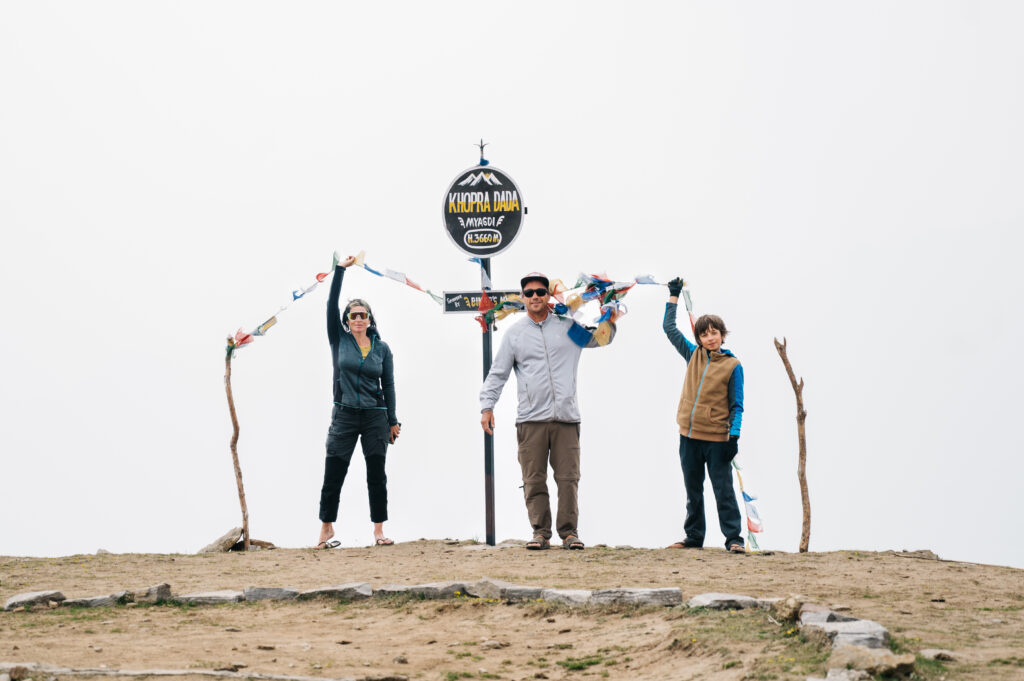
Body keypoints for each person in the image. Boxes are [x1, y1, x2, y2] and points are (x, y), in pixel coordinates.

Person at [479, 272, 615, 551]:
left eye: (540, 291)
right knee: (533, 479)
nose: (535, 297)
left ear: (548, 295)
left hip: (566, 418)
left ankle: (569, 534)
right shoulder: (514, 335)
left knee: (568, 480)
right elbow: (498, 374)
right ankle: (540, 533)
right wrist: (487, 406)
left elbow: (600, 340)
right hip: (530, 420)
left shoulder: (568, 326)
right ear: (523, 299)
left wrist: (609, 309)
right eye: (528, 293)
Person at [316, 255, 401, 549]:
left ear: (370, 319)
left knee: (376, 474)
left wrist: (393, 420)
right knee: (334, 472)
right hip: (345, 415)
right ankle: (326, 528)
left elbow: (387, 385)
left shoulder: (382, 349)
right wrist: (340, 270)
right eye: (353, 315)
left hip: (376, 417)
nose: (359, 319)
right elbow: (330, 305)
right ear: (347, 320)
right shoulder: (338, 340)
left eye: (363, 315)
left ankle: (379, 531)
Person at [662, 277, 745, 553]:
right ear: (698, 337)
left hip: (718, 441)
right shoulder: (692, 355)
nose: (710, 337)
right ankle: (694, 538)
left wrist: (733, 438)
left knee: (724, 491)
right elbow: (669, 328)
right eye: (704, 334)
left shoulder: (733, 365)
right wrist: (673, 296)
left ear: (722, 334)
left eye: (714, 332)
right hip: (688, 437)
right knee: (693, 491)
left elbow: (737, 405)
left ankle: (734, 539)